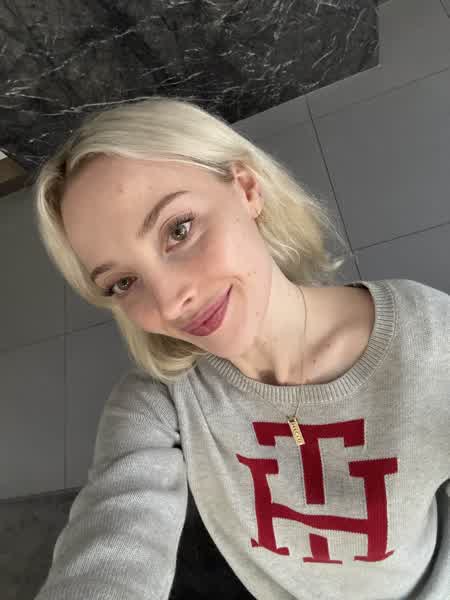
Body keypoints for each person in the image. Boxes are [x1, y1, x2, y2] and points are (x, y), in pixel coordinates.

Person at [33, 96, 449, 599]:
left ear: (247, 189)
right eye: (123, 282)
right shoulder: (160, 402)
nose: (170, 302)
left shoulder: (433, 341)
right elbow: (112, 540)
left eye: (178, 230)